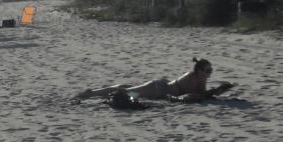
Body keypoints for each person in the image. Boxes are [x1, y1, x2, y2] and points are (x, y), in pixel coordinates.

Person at [74, 58, 233, 103]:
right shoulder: (192, 77)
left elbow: (202, 94)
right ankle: (92, 94)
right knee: (124, 93)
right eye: (208, 71)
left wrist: (216, 91)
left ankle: (93, 92)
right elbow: (197, 95)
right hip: (158, 89)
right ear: (199, 70)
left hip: (158, 89)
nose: (210, 73)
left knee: (126, 88)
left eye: (211, 70)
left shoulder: (200, 79)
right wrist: (216, 92)